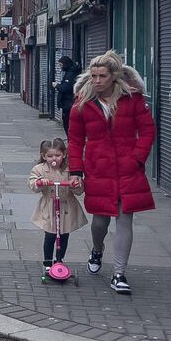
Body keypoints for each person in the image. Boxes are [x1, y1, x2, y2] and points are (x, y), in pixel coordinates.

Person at [67, 50, 156, 294]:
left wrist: (138, 159)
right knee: (100, 221)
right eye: (93, 75)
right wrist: (76, 171)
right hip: (98, 168)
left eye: (102, 76)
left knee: (125, 218)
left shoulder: (132, 99)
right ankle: (97, 249)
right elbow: (75, 140)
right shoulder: (82, 103)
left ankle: (119, 273)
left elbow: (148, 130)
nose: (96, 80)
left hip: (128, 168)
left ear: (114, 77)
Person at [29, 138, 87, 282]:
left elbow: (79, 188)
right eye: (50, 156)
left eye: (57, 155)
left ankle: (59, 260)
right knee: (50, 235)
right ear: (43, 156)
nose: (54, 159)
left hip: (66, 205)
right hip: (49, 205)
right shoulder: (40, 169)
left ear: (64, 154)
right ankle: (48, 262)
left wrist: (75, 185)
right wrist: (40, 183)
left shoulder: (69, 169)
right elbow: (32, 183)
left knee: (64, 234)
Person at [56, 55, 78, 134]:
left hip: (68, 104)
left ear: (65, 64)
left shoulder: (70, 74)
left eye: (61, 65)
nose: (60, 67)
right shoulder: (70, 72)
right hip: (68, 104)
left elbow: (66, 88)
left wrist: (57, 85)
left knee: (68, 126)